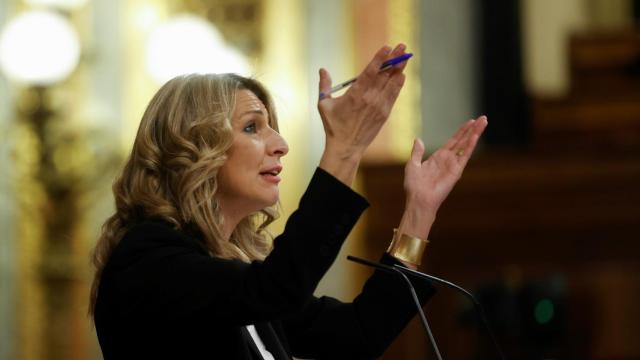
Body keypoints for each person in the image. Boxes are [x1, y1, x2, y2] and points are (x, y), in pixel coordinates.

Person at [89, 44, 488, 359]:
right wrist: (344, 150)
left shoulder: (232, 274)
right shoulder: (147, 260)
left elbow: (359, 334)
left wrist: (420, 211)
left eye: (272, 128)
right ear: (193, 147)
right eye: (252, 127)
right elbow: (275, 288)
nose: (280, 145)